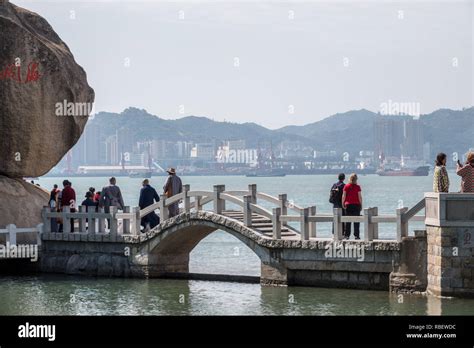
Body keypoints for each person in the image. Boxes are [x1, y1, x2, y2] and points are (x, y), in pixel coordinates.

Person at [341, 173, 362, 240]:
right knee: (356, 221)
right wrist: (361, 205)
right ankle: (357, 235)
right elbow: (360, 197)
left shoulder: (346, 186)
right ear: (356, 179)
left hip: (348, 205)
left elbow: (343, 196)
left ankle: (347, 235)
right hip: (356, 205)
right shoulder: (358, 187)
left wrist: (342, 203)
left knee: (348, 221)